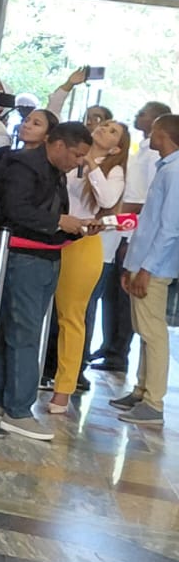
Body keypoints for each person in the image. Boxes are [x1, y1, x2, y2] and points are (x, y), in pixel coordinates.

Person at [0, 121, 95, 441]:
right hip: (25, 259)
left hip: (46, 257)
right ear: (57, 144)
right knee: (24, 334)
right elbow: (16, 210)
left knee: (17, 330)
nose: (79, 162)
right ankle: (18, 409)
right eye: (77, 154)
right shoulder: (23, 165)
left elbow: (52, 214)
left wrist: (73, 227)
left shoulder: (56, 172)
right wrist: (59, 221)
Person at [45, 119, 126, 414]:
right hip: (51, 233)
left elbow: (107, 199)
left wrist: (91, 163)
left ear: (117, 146)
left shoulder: (113, 170)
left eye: (112, 131)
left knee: (72, 316)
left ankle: (64, 388)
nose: (104, 129)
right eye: (103, 125)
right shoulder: (69, 157)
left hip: (83, 242)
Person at [93, 100, 172, 372]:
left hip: (133, 233)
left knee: (130, 305)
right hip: (128, 232)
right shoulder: (144, 153)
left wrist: (117, 218)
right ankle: (110, 345)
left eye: (143, 114)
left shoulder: (158, 160)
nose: (138, 116)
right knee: (112, 297)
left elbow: (147, 204)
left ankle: (118, 352)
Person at [114, 113, 179, 427]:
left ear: (164, 134)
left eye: (154, 130)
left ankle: (153, 402)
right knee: (143, 329)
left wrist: (147, 269)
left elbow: (169, 229)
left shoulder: (176, 171)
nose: (150, 135)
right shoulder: (165, 167)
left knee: (153, 333)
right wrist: (132, 264)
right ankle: (141, 390)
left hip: (154, 266)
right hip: (142, 262)